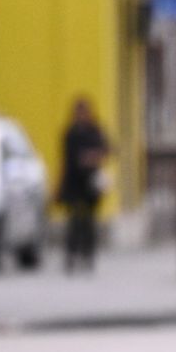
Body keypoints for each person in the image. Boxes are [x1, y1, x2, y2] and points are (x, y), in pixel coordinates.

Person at [58, 97, 108, 273]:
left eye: (84, 112)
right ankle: (71, 255)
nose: (81, 116)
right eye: (79, 112)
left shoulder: (95, 130)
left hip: (91, 184)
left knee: (89, 221)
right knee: (74, 221)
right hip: (74, 183)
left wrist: (92, 157)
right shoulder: (71, 133)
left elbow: (105, 149)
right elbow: (67, 159)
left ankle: (88, 255)